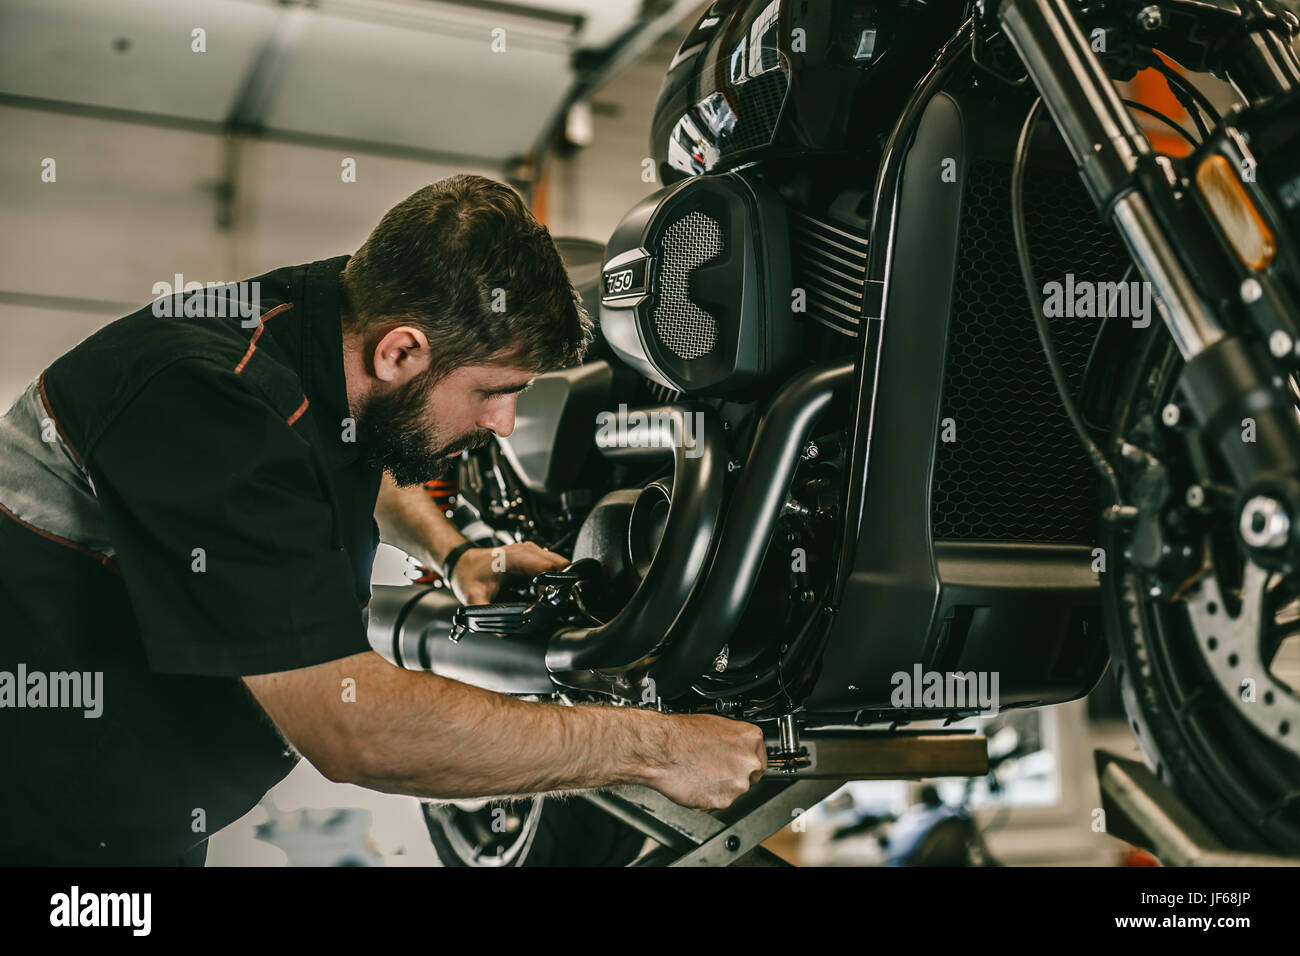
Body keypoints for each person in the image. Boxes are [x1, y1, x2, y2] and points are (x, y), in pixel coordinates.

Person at [0, 174, 766, 865]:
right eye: (494, 389)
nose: (502, 422)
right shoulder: (204, 399)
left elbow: (336, 467)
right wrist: (653, 748)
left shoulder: (325, 328)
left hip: (139, 822)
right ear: (402, 351)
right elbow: (353, 728)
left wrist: (458, 556)